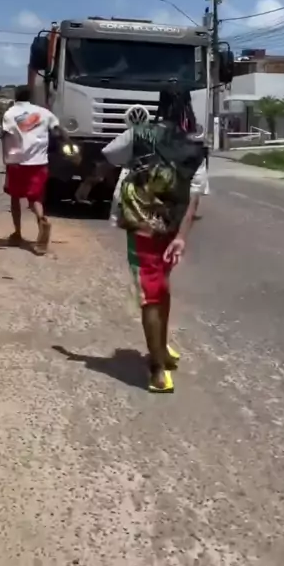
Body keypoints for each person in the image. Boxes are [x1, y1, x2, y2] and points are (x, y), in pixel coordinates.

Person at [102, 86, 205, 394]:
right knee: (162, 286)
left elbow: (109, 155)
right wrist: (181, 238)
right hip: (172, 230)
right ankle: (162, 348)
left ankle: (158, 370)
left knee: (150, 294)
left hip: (142, 226)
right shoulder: (195, 145)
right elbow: (194, 198)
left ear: (160, 105)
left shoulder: (139, 134)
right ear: (188, 107)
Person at [2, 86, 74, 255]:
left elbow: (5, 136)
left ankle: (17, 233)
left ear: (16, 96)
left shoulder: (10, 113)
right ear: (31, 97)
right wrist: (70, 145)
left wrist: (5, 158)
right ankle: (42, 220)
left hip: (17, 162)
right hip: (39, 163)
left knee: (15, 197)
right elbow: (58, 130)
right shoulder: (43, 112)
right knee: (36, 199)